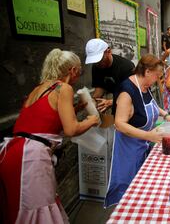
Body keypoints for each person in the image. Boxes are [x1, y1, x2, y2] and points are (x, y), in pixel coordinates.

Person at [0, 49, 99, 224]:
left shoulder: (41, 88)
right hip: (30, 157)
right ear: (73, 70)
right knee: (38, 207)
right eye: (80, 71)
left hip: (12, 152)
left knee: (20, 207)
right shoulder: (64, 88)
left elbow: (47, 120)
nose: (78, 76)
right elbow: (71, 129)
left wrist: (78, 109)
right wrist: (93, 120)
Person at [105, 54, 170, 207]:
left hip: (143, 144)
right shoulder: (127, 91)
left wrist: (166, 114)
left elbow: (151, 104)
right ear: (147, 72)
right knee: (128, 189)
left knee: (141, 184)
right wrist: (148, 135)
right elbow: (120, 123)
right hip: (128, 148)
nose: (158, 79)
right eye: (157, 75)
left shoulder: (144, 86)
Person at [85, 38, 135, 113]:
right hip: (115, 101)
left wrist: (111, 102)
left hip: (130, 106)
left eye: (100, 60)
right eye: (95, 61)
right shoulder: (96, 66)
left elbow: (132, 95)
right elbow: (99, 87)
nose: (97, 64)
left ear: (109, 51)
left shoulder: (127, 67)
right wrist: (93, 101)